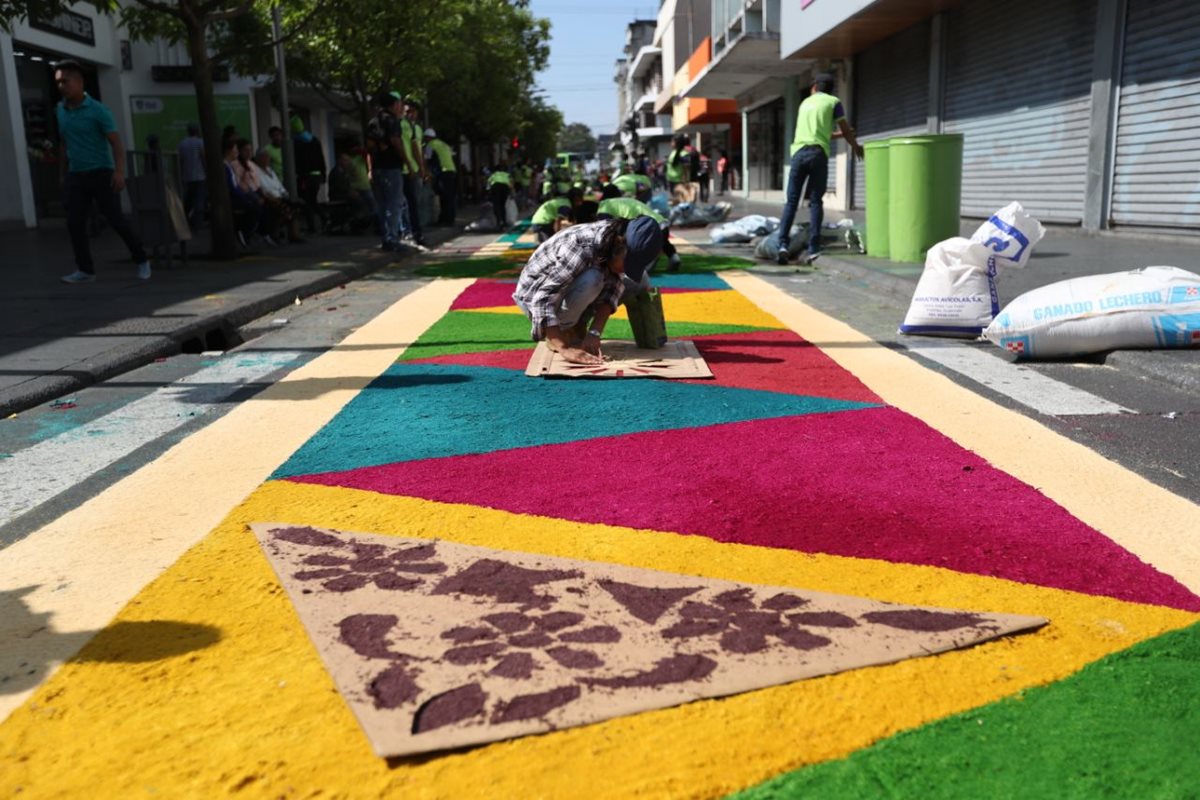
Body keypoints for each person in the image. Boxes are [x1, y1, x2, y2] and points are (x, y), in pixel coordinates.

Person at [512, 216, 663, 365]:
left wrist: (594, 332)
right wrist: (564, 348)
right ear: (619, 242)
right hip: (533, 300)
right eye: (627, 262)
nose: (625, 269)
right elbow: (542, 298)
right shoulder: (579, 246)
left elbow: (613, 289)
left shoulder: (614, 241)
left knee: (639, 279)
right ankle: (562, 330)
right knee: (593, 278)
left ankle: (577, 325)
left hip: (565, 291)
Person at [54, 60, 151, 283]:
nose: (61, 86)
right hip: (76, 176)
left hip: (101, 172)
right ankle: (85, 270)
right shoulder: (60, 110)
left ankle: (142, 259)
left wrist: (119, 172)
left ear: (78, 82)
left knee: (116, 219)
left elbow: (116, 143)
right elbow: (63, 143)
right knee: (74, 222)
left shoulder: (98, 111)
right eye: (58, 82)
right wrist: (62, 173)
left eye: (65, 81)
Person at [776, 72, 863, 267]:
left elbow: (816, 133)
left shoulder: (805, 103)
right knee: (815, 202)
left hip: (798, 153)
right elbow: (844, 129)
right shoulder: (834, 102)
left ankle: (782, 245)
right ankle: (814, 247)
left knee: (791, 202)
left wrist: (840, 135)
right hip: (817, 154)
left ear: (815, 86)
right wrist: (855, 146)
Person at [596, 186, 681, 272]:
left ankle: (648, 259)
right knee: (661, 239)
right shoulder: (627, 201)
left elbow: (605, 226)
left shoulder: (605, 204)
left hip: (647, 232)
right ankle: (673, 257)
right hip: (662, 225)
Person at [366, 91, 410, 251]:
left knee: (382, 205)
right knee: (394, 204)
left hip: (378, 169)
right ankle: (392, 238)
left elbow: (369, 148)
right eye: (399, 104)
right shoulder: (392, 121)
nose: (401, 107)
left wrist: (370, 169)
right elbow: (396, 143)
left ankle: (386, 237)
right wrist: (408, 163)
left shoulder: (373, 122)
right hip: (391, 168)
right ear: (393, 105)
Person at [251, 148, 303, 243]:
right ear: (258, 158)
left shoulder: (270, 170)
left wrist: (284, 194)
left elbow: (279, 185)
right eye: (264, 157)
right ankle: (274, 235)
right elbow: (261, 187)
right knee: (281, 209)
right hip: (269, 198)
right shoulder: (255, 171)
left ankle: (294, 235)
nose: (267, 159)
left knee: (296, 205)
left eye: (267, 157)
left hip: (280, 196)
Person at [223, 137, 263, 247]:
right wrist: (244, 196)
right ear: (229, 151)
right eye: (235, 151)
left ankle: (248, 231)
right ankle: (243, 230)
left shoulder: (229, 166)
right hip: (234, 197)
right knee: (253, 206)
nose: (236, 153)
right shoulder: (228, 166)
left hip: (240, 193)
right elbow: (233, 187)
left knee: (256, 205)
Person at [401, 98, 430, 246]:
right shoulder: (401, 125)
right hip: (404, 169)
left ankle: (415, 231)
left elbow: (419, 150)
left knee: (414, 203)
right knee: (405, 203)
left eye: (411, 111)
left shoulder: (417, 129)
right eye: (406, 111)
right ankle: (408, 232)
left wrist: (422, 169)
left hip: (415, 170)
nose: (408, 114)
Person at [291, 115, 326, 235]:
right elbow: (321, 158)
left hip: (304, 177)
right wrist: (323, 174)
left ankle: (312, 226)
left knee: (306, 202)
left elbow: (297, 161)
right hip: (316, 176)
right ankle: (324, 217)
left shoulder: (296, 142)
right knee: (312, 200)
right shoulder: (315, 140)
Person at [424, 128, 456, 226]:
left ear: (428, 137)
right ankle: (450, 219)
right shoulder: (444, 144)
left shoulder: (430, 145)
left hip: (443, 172)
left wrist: (427, 172)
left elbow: (426, 159)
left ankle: (444, 220)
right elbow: (452, 154)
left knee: (444, 196)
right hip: (452, 170)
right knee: (450, 196)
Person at [178, 122, 206, 230]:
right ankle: (197, 224)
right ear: (197, 131)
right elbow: (203, 158)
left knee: (188, 200)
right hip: (200, 176)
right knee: (199, 201)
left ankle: (183, 221)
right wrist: (207, 171)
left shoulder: (182, 143)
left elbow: (180, 160)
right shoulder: (200, 142)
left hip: (187, 177)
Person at [487, 162, 513, 229]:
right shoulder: (507, 174)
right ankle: (504, 221)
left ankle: (499, 221)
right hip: (504, 188)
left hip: (495, 188)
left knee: (496, 205)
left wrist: (488, 191)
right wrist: (512, 192)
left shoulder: (494, 174)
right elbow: (510, 184)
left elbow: (489, 182)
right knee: (502, 205)